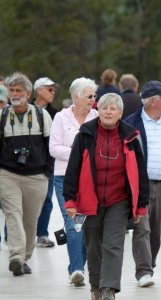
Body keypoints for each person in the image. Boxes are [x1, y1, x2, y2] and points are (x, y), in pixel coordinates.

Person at [63, 93, 149, 300]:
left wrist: (141, 206)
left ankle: (109, 289)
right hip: (90, 200)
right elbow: (72, 168)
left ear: (120, 113)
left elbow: (140, 173)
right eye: (104, 108)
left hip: (119, 201)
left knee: (113, 245)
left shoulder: (131, 137)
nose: (108, 112)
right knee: (93, 246)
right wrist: (70, 200)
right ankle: (96, 286)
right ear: (98, 111)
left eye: (113, 109)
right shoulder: (85, 135)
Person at [0, 72, 53, 276]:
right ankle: (15, 255)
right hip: (8, 175)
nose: (14, 94)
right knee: (13, 214)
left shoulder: (41, 115)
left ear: (28, 93)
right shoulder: (3, 116)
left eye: (18, 90)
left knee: (31, 221)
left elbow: (50, 146)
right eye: (11, 90)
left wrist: (46, 172)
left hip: (36, 177)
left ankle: (24, 258)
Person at [125, 80, 161, 288]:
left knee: (156, 231)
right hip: (140, 186)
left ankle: (149, 264)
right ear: (153, 101)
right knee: (142, 228)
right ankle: (143, 271)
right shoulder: (131, 123)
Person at [49, 77, 98, 287]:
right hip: (64, 178)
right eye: (89, 96)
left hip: (90, 179)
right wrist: (79, 154)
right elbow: (54, 148)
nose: (93, 100)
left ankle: (78, 266)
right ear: (76, 97)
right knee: (72, 222)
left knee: (85, 224)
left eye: (94, 96)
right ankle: (76, 269)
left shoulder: (97, 116)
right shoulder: (61, 118)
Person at [32, 77, 58, 248]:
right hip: (25, 164)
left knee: (47, 199)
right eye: (50, 89)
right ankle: (12, 235)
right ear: (39, 90)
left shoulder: (56, 113)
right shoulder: (24, 109)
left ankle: (42, 234)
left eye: (54, 90)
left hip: (48, 162)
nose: (53, 92)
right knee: (22, 202)